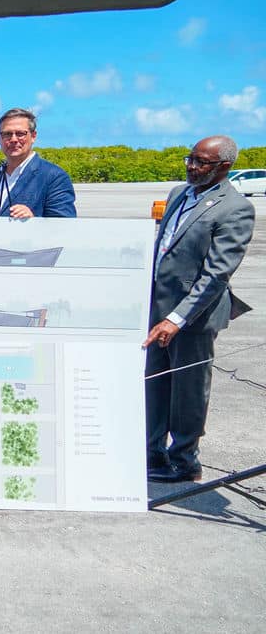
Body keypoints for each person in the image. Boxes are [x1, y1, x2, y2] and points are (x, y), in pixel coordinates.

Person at [143, 135, 255, 483]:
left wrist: (176, 319)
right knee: (154, 384)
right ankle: (152, 453)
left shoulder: (235, 208)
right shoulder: (179, 193)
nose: (192, 167)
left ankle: (184, 459)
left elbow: (217, 273)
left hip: (193, 316)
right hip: (157, 307)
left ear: (224, 167)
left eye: (201, 162)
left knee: (188, 389)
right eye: (190, 159)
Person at [0, 108, 76, 218]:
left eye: (20, 134)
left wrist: (33, 220)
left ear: (33, 136)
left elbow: (65, 226)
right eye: (7, 134)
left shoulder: (54, 177)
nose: (14, 139)